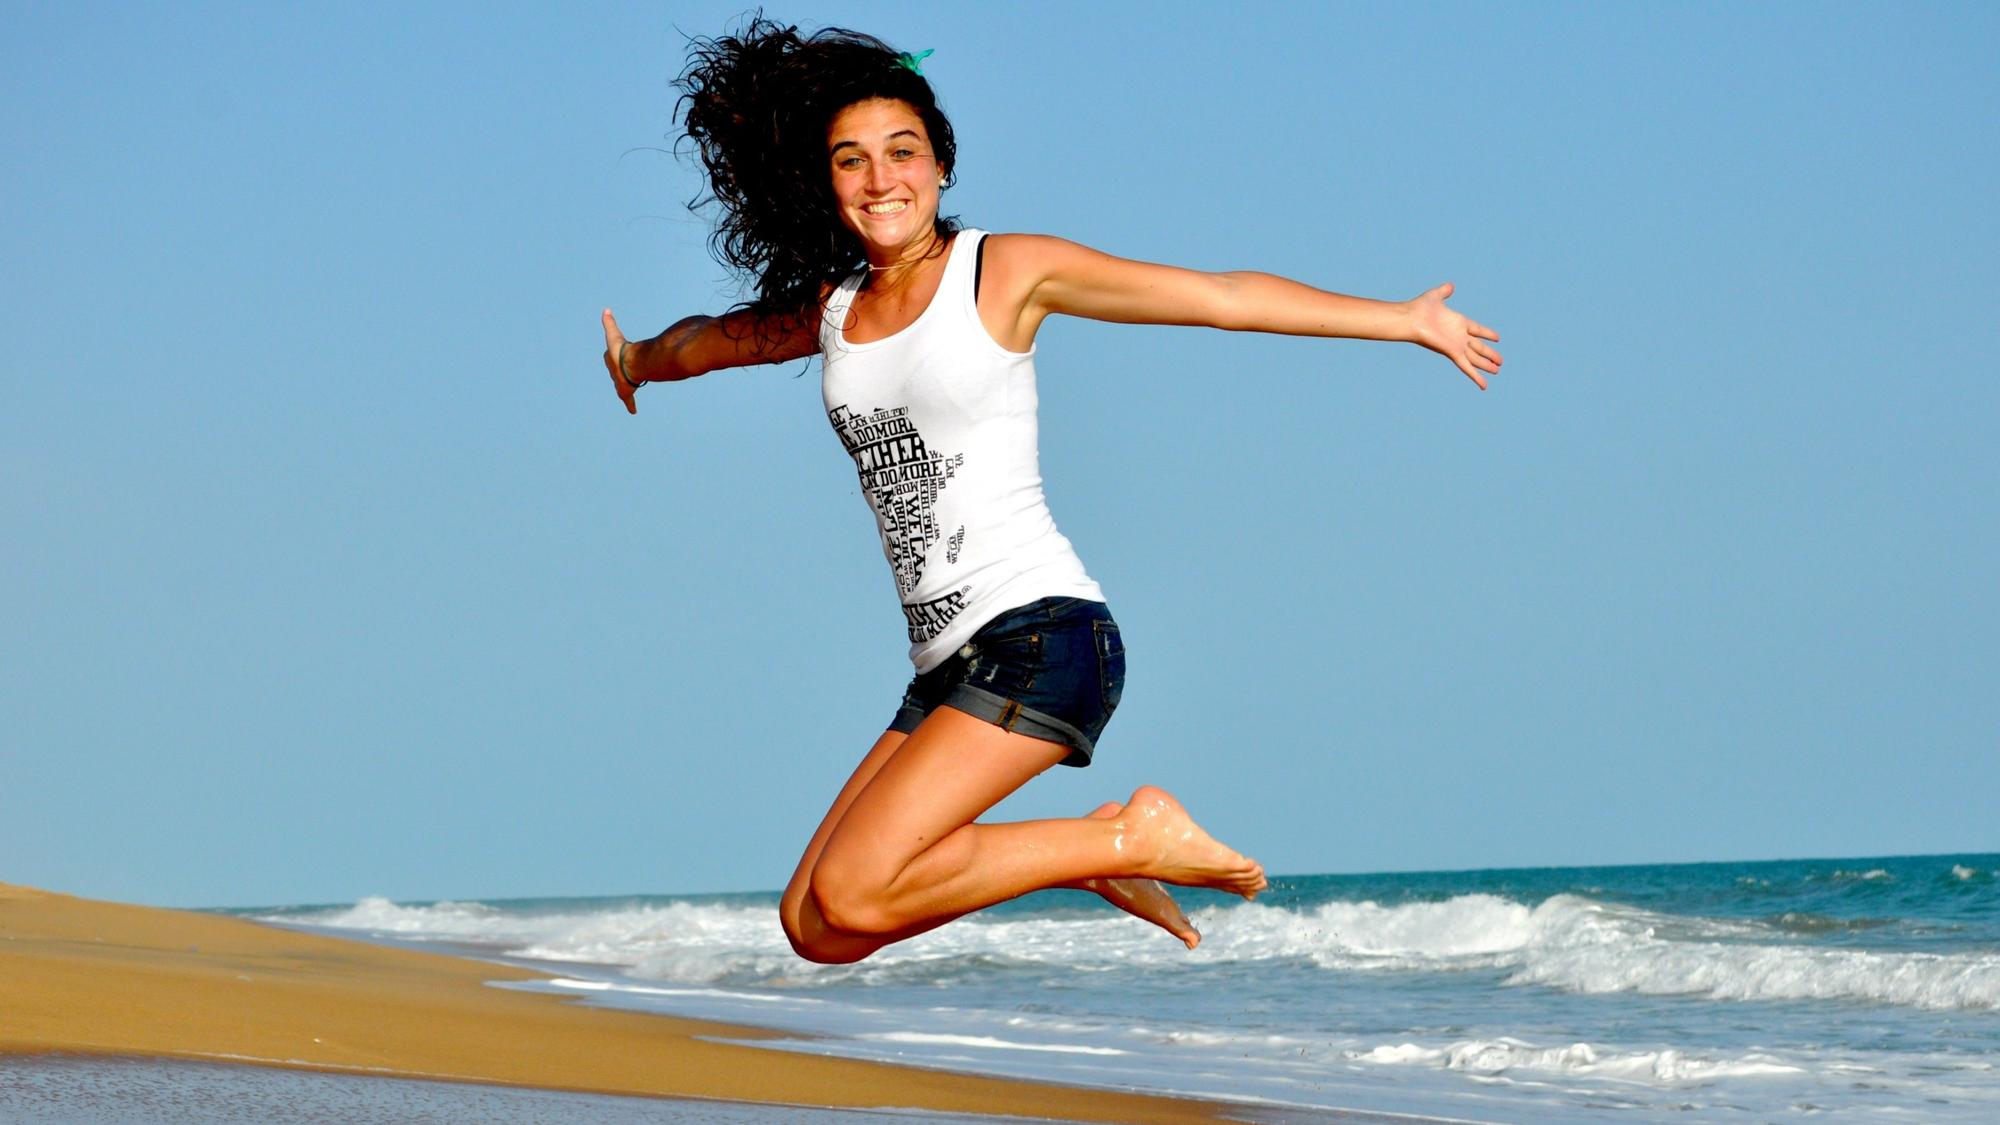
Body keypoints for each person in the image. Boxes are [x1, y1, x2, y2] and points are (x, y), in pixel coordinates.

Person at [600, 21, 1502, 966]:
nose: (881, 179)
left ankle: (1126, 837)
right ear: (825, 184)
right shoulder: (835, 311)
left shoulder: (1003, 272)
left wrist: (1401, 321)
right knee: (816, 923)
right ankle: (1088, 852)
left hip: (1042, 638)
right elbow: (708, 340)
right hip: (948, 664)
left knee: (857, 886)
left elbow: (1217, 296)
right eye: (852, 160)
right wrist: (635, 360)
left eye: (902, 153)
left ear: (940, 164)